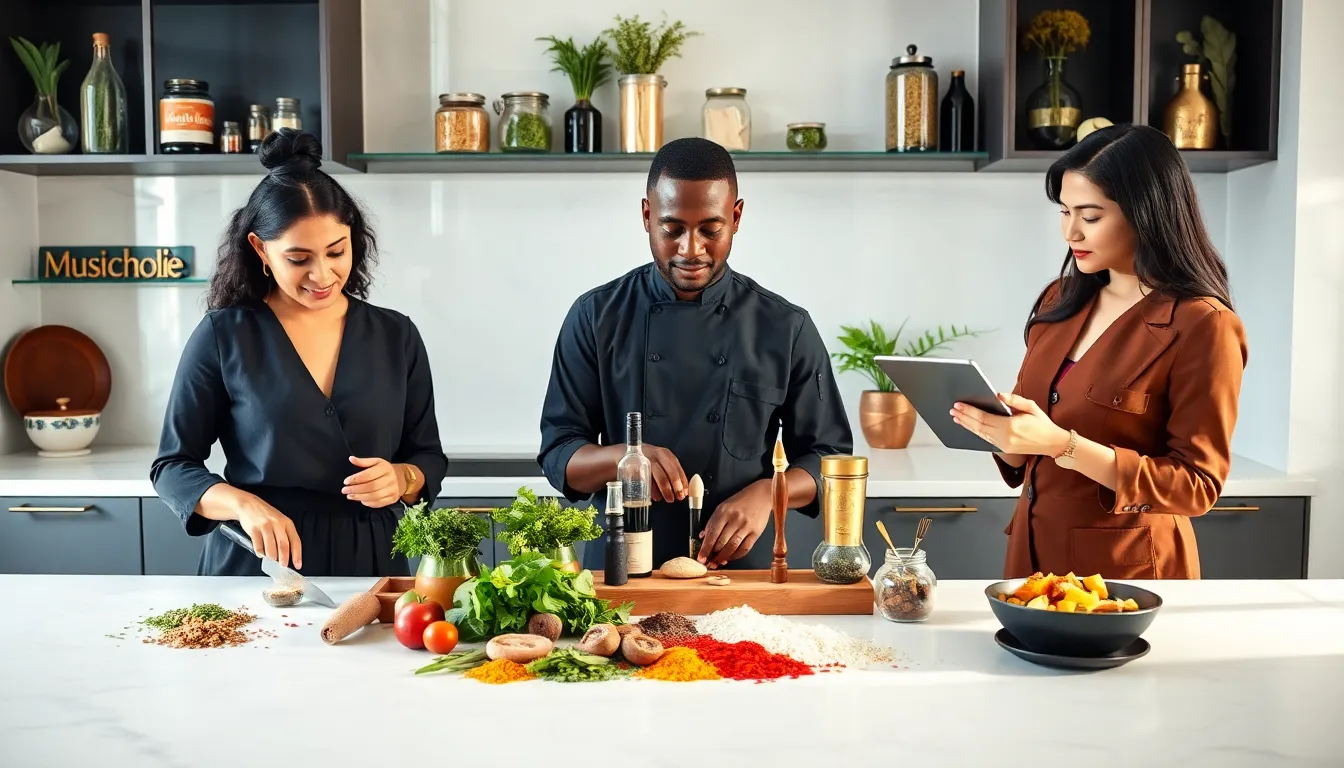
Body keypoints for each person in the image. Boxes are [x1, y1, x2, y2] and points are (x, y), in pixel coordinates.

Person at [538, 137, 854, 571]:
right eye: (672, 229)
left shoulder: (785, 327)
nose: (691, 249)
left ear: (736, 217)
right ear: (647, 216)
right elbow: (559, 454)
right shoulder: (595, 317)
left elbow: (829, 458)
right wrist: (625, 458)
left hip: (739, 571)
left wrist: (768, 493)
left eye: (710, 229)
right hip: (621, 569)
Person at [951, 124, 1248, 580]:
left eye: (1090, 217)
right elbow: (1034, 433)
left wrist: (1062, 445)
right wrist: (1005, 439)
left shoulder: (1202, 323)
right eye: (1065, 211)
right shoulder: (1060, 299)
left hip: (1125, 576)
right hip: (1031, 561)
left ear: (1147, 213)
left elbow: (1196, 486)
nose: (1071, 231)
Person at [150, 129, 447, 577]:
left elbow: (427, 456)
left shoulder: (395, 335)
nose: (322, 274)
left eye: (336, 251)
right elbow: (172, 467)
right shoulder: (223, 334)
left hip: (371, 564)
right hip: (258, 563)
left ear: (353, 239)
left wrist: (402, 478)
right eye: (299, 258)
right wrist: (243, 504)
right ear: (260, 249)